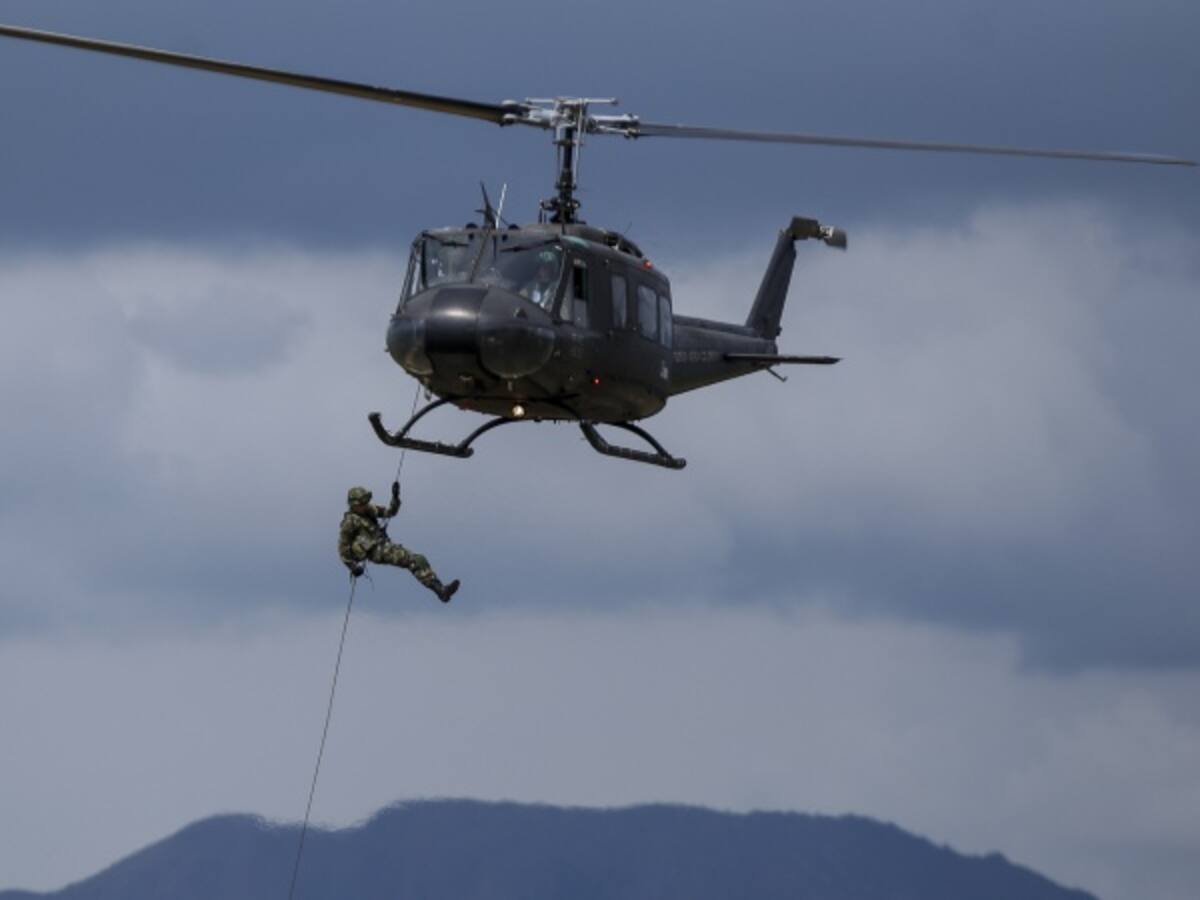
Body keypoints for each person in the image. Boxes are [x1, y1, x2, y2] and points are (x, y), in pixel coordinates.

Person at [338, 482, 460, 602]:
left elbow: (390, 512)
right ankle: (440, 591)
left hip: (384, 545)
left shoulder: (370, 510)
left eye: (366, 502)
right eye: (362, 503)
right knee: (412, 560)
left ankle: (440, 590)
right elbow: (342, 548)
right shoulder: (350, 522)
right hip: (375, 551)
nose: (365, 505)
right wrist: (353, 567)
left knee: (418, 559)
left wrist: (395, 497)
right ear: (354, 505)